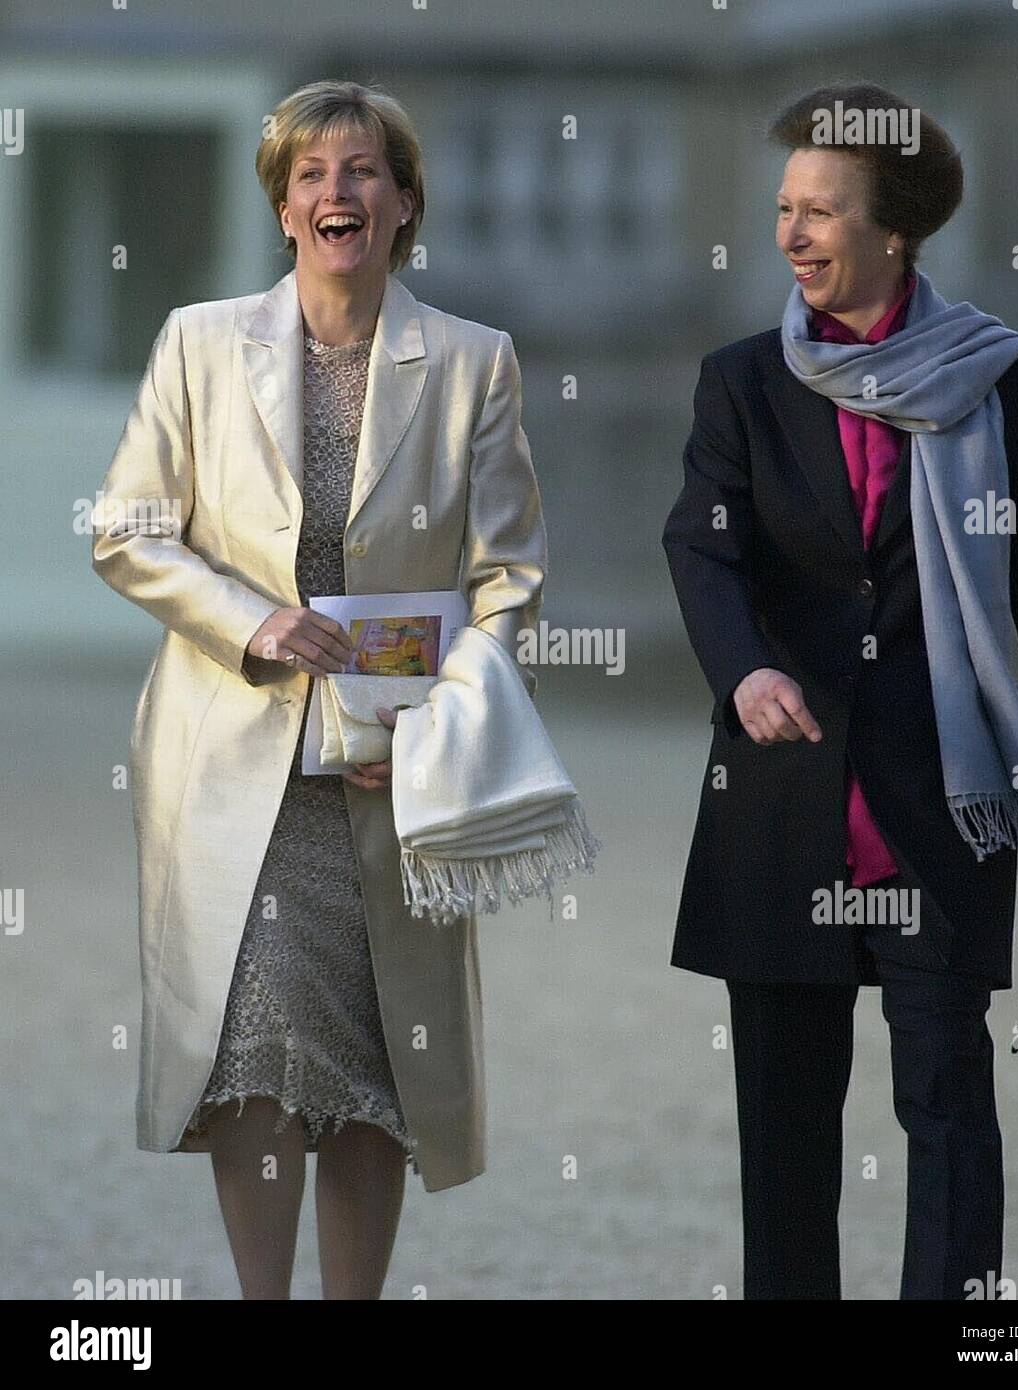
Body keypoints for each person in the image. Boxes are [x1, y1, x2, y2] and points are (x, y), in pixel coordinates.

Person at [662, 83, 1018, 1300]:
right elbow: (701, 547)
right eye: (782, 208)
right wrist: (744, 665)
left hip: (938, 790)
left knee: (946, 1103)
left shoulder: (999, 374)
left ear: (894, 226)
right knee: (783, 1125)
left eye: (820, 209)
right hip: (782, 793)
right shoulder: (743, 381)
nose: (791, 233)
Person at [92, 79, 546, 1298]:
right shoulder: (199, 340)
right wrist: (255, 620)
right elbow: (129, 531)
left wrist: (447, 721)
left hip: (391, 768)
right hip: (231, 756)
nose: (335, 192)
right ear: (283, 206)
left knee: (373, 1062)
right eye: (310, 174)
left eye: (362, 172)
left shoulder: (471, 363)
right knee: (253, 1052)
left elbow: (508, 577)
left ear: (403, 204)